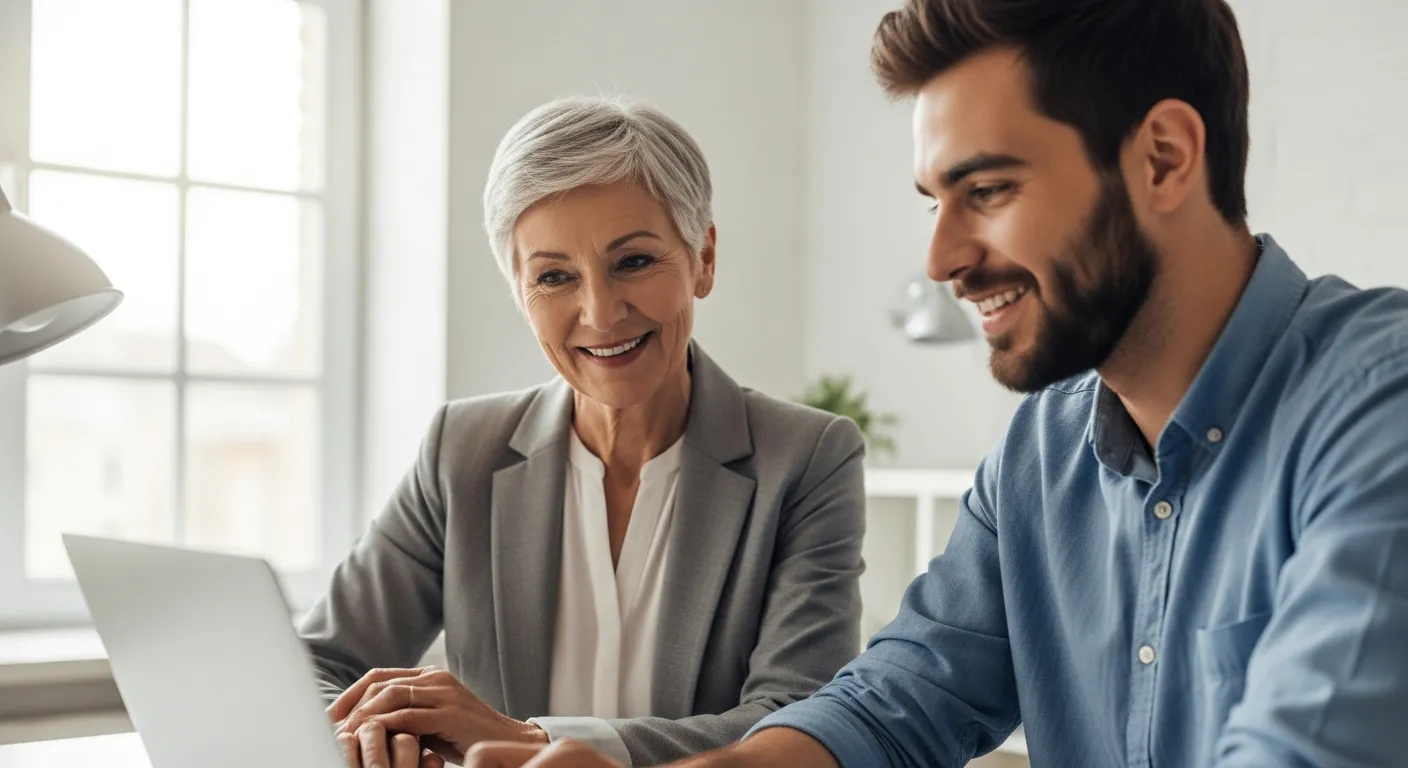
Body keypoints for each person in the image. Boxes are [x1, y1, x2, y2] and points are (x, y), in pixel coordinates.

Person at [464, 0, 1408, 766]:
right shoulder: (1043, 452)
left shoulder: (1378, 404)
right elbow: (896, 703)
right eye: (935, 202)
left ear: (1162, 157)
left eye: (987, 191)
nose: (944, 258)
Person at [298, 95, 869, 768]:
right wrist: (370, 735)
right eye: (554, 276)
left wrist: (536, 742)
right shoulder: (461, 451)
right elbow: (314, 665)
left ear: (704, 258)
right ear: (519, 291)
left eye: (634, 262)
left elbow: (799, 720)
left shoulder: (807, 459)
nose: (600, 312)